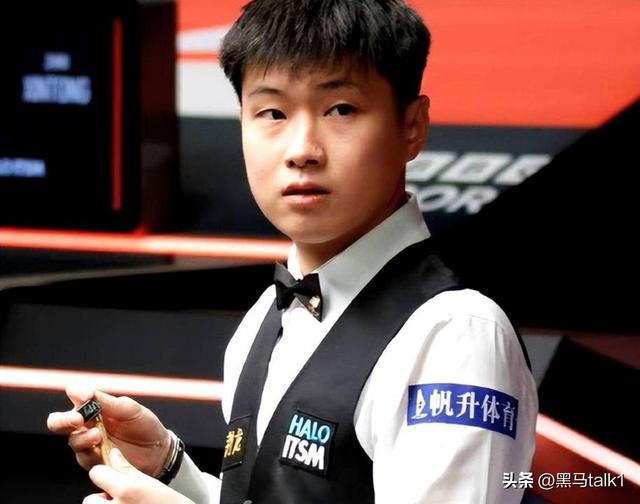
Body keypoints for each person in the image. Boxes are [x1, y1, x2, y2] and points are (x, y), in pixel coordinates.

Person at [47, 0, 538, 502]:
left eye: (340, 109)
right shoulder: (266, 314)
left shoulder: (455, 336)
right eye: (273, 113)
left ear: (412, 126)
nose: (302, 149)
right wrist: (170, 470)